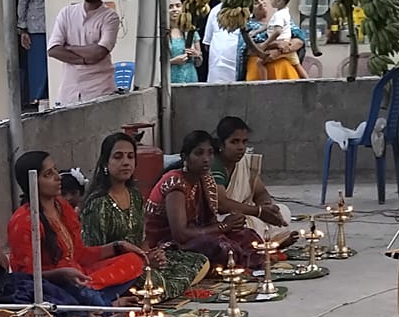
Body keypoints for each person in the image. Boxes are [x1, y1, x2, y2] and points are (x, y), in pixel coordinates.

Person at [4, 149, 138, 317]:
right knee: (82, 293)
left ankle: (102, 305)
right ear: (32, 182)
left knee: (134, 261)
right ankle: (105, 306)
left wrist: (118, 247)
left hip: (80, 275)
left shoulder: (61, 206)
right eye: (48, 174)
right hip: (56, 286)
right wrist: (61, 274)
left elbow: (81, 254)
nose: (58, 177)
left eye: (55, 170)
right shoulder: (23, 221)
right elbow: (26, 277)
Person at [78, 130, 209, 299]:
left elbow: (142, 239)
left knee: (199, 260)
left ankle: (157, 291)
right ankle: (153, 291)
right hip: (116, 268)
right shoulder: (98, 203)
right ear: (105, 162)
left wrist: (152, 255)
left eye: (130, 157)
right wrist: (143, 262)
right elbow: (93, 255)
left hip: (139, 261)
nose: (126, 162)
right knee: (153, 281)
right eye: (118, 157)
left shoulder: (134, 195)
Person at [146, 129, 261, 271]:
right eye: (199, 153)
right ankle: (229, 266)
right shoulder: (175, 182)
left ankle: (242, 262)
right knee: (220, 246)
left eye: (210, 153)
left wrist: (231, 224)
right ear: (185, 157)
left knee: (247, 235)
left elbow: (208, 222)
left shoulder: (205, 179)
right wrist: (224, 226)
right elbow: (180, 234)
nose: (206, 159)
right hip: (167, 245)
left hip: (196, 236)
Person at [48, 0, 122, 106]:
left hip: (100, 91)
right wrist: (84, 60)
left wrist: (68, 48)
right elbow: (53, 50)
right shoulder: (67, 13)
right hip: (69, 94)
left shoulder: (110, 17)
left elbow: (99, 52)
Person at [214, 116, 294, 243]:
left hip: (248, 214)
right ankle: (271, 241)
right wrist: (259, 212)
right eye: (234, 142)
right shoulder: (214, 165)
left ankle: (266, 240)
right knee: (242, 224)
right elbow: (221, 204)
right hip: (223, 217)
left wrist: (267, 207)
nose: (241, 147)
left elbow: (260, 192)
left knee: (283, 211)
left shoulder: (244, 162)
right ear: (221, 144)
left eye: (244, 142)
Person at [245, 0, 304, 81]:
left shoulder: (280, 18)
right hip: (258, 74)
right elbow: (249, 50)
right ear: (250, 8)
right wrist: (275, 44)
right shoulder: (248, 26)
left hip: (285, 73)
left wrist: (280, 50)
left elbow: (299, 41)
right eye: (256, 2)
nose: (261, 3)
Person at [18, 0, 48, 106]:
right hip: (36, 25)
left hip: (54, 23)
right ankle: (36, 98)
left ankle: (46, 96)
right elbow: (23, 0)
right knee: (38, 65)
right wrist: (22, 28)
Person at [202, 0, 243, 85]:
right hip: (217, 66)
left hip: (237, 64)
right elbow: (207, 42)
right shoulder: (215, 10)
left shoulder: (244, 10)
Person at [167, 0, 203, 85]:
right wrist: (172, 62)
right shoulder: (162, 33)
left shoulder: (191, 31)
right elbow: (156, 64)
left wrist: (196, 55)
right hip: (170, 80)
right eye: (170, 7)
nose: (174, 9)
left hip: (190, 78)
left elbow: (199, 62)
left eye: (178, 6)